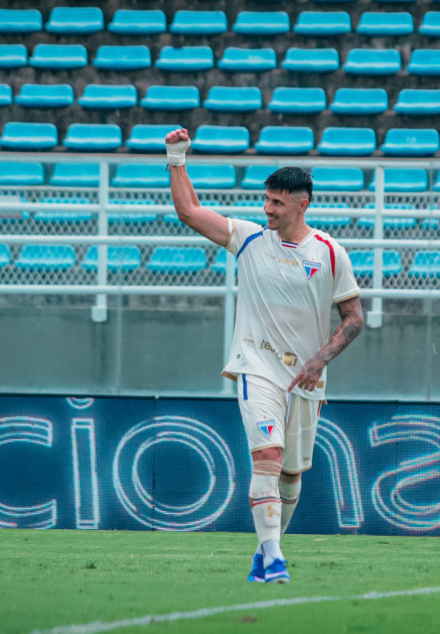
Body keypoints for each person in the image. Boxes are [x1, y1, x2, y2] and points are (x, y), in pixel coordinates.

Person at [166, 128, 364, 584]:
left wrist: (320, 360)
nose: (267, 209)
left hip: (306, 380)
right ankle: (274, 559)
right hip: (257, 369)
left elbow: (354, 319)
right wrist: (177, 158)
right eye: (266, 200)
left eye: (277, 202)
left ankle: (265, 550)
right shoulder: (249, 238)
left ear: (302, 204)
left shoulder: (331, 253)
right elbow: (189, 211)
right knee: (268, 459)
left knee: (292, 476)